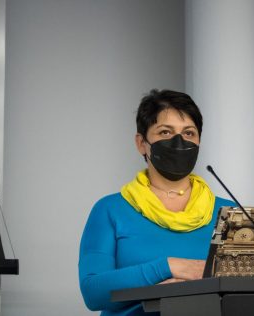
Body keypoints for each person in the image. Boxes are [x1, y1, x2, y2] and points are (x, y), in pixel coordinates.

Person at [78, 89, 234, 315]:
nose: (179, 142)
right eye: (165, 132)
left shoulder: (229, 213)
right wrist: (170, 266)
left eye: (189, 133)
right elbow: (93, 292)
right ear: (142, 143)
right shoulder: (110, 210)